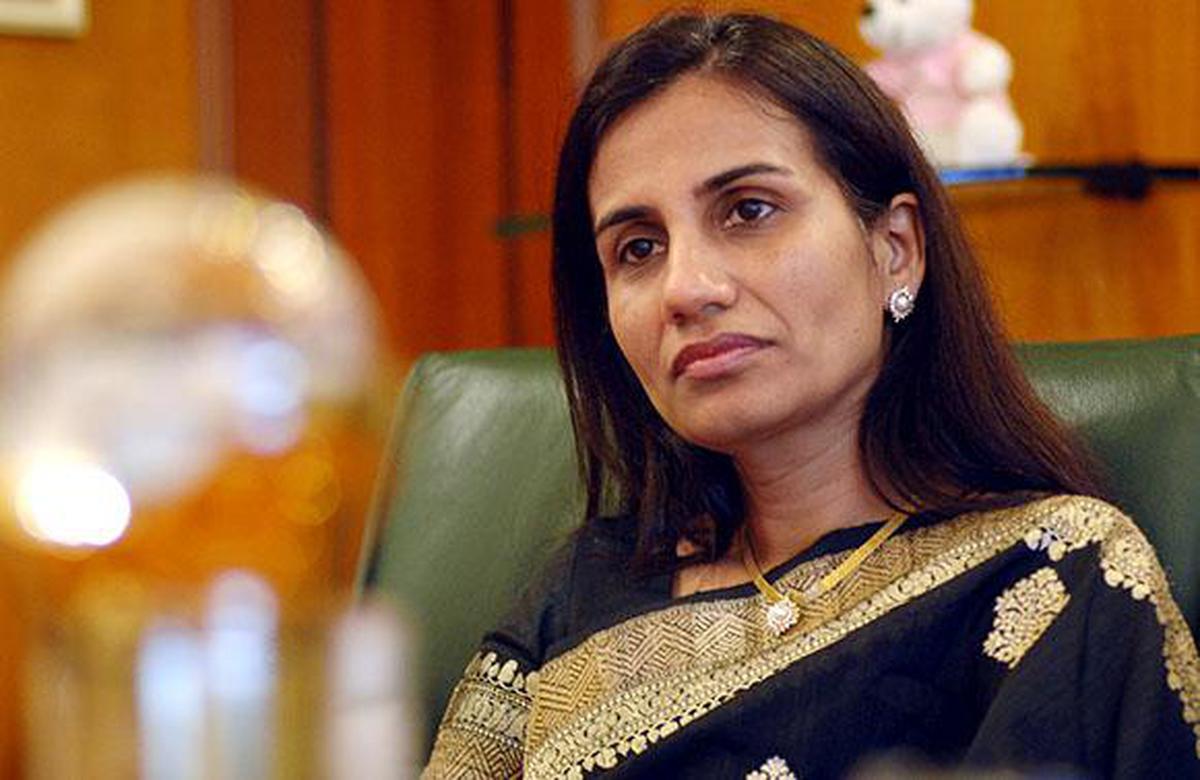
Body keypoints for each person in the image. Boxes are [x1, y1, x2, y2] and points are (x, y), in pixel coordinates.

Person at [423, 12, 1200, 779]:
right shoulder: (581, 588)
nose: (685, 288)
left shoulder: (1056, 577)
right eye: (639, 248)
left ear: (895, 249)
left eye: (748, 210)